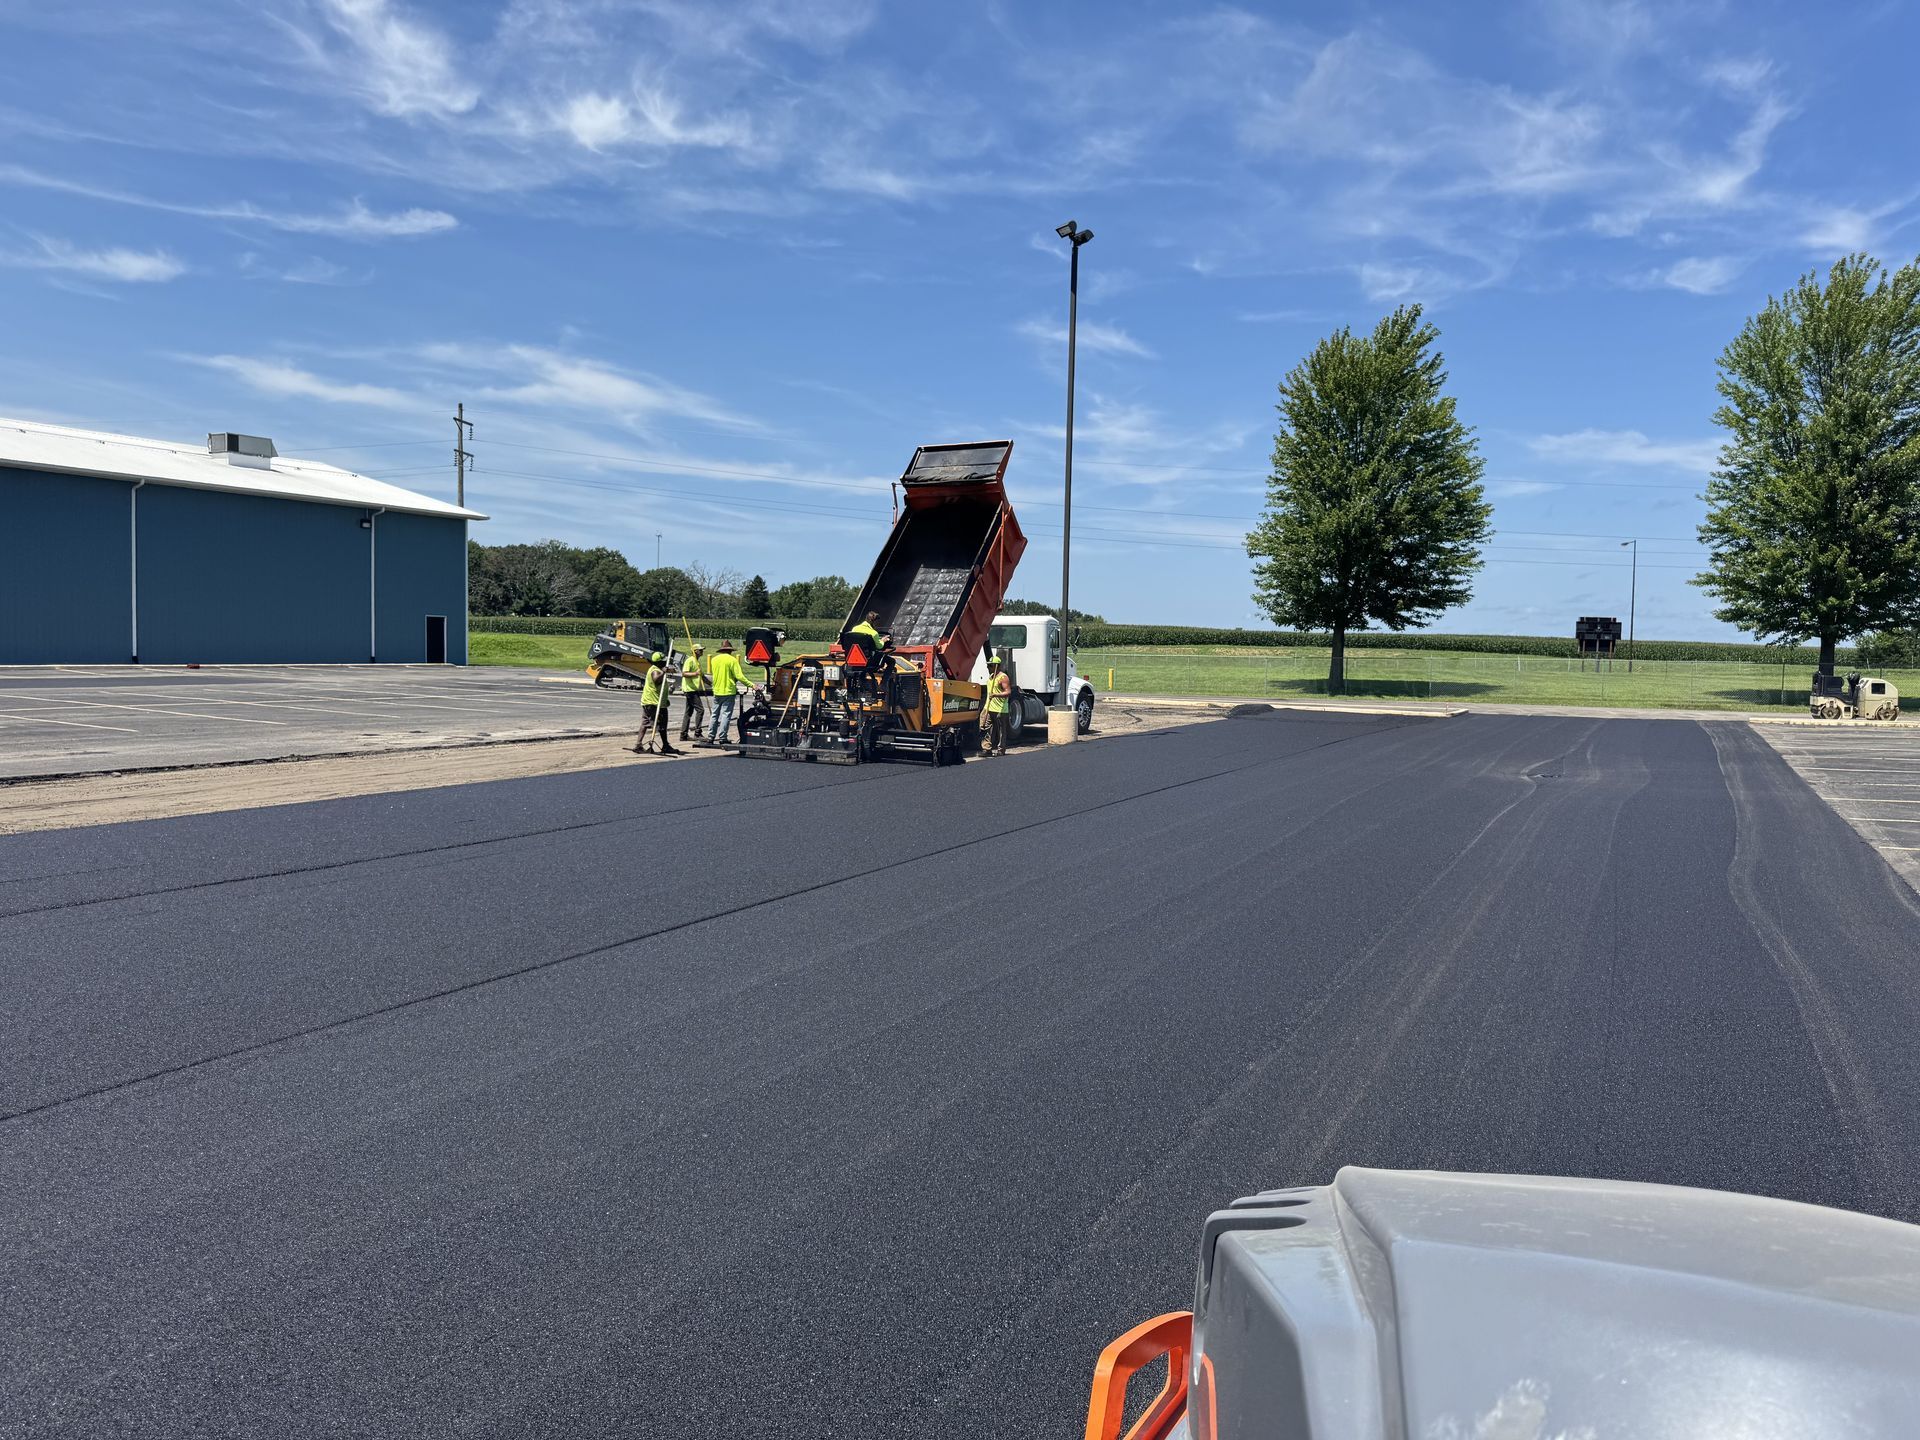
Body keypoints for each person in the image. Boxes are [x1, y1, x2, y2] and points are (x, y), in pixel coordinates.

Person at [633, 651, 680, 755]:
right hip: (654, 703)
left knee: (645, 724)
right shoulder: (655, 670)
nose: (665, 663)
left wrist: (668, 671)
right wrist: (663, 672)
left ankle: (638, 745)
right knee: (661, 725)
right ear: (658, 662)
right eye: (663, 662)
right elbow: (656, 679)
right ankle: (665, 745)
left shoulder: (656, 669)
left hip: (649, 702)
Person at [706, 638, 748, 746]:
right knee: (726, 715)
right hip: (728, 691)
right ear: (730, 650)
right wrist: (752, 685)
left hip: (717, 691)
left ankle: (710, 737)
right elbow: (739, 676)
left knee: (714, 715)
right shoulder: (732, 660)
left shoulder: (714, 660)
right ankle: (722, 737)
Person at [983, 653, 1013, 756]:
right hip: (989, 707)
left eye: (990, 665)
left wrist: (995, 694)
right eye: (988, 665)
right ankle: (987, 749)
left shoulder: (1003, 678)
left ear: (997, 666)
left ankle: (1001, 749)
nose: (988, 667)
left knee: (1001, 730)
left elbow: (1008, 692)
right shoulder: (991, 677)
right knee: (986, 728)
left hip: (1000, 709)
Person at [679, 643, 707, 742]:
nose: (702, 651)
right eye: (700, 650)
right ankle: (698, 733)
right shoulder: (690, 660)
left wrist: (711, 684)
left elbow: (702, 676)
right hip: (689, 689)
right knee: (700, 710)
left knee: (688, 712)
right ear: (695, 651)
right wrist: (695, 673)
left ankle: (683, 734)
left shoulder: (697, 662)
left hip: (693, 689)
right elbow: (684, 673)